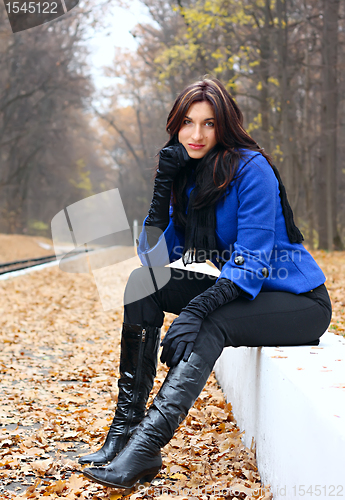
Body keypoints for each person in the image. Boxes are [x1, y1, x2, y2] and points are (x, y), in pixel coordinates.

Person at [79, 77, 332, 489]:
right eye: (188, 123)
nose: (196, 134)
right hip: (244, 292)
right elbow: (154, 259)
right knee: (142, 283)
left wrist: (196, 310)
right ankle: (123, 434)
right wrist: (162, 189)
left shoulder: (253, 170)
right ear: (176, 127)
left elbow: (249, 264)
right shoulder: (187, 174)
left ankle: (146, 447)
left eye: (209, 123)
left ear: (224, 125)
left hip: (297, 300)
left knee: (212, 323)